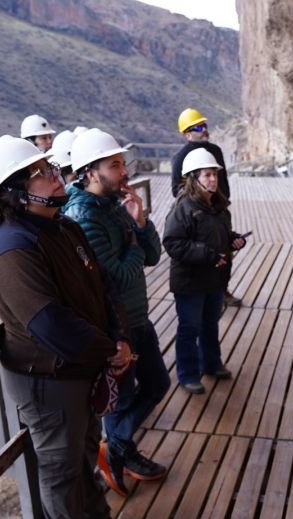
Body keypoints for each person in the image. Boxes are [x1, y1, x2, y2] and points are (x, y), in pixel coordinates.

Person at [0, 135, 133, 519]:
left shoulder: (62, 225)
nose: (52, 175)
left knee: (84, 446)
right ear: (14, 189)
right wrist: (109, 350)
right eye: (40, 173)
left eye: (49, 168)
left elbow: (102, 287)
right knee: (61, 461)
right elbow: (49, 324)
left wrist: (117, 336)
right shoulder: (11, 247)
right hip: (47, 376)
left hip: (79, 365)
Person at [63, 128, 170, 495]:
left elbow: (153, 257)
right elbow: (120, 274)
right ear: (91, 172)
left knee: (158, 383)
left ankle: (116, 450)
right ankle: (121, 452)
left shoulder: (114, 205)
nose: (124, 172)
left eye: (123, 163)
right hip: (116, 327)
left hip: (138, 317)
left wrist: (140, 223)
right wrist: (133, 244)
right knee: (120, 401)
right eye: (115, 165)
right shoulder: (81, 217)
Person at [163, 148, 247, 394]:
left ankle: (211, 364)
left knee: (210, 324)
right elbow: (172, 243)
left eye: (215, 175)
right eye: (207, 175)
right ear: (193, 178)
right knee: (189, 328)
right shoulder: (184, 208)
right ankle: (188, 374)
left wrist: (233, 239)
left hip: (214, 280)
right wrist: (208, 255)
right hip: (190, 283)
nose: (213, 179)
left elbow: (218, 235)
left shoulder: (218, 206)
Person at [171, 108, 242, 308]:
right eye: (199, 127)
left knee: (224, 249)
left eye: (205, 126)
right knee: (202, 251)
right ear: (187, 134)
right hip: (195, 214)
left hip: (218, 211)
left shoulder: (216, 151)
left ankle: (222, 290)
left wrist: (221, 203)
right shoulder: (180, 158)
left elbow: (224, 181)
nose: (204, 130)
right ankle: (203, 295)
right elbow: (176, 188)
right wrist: (197, 203)